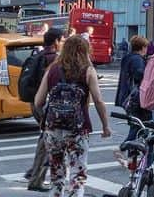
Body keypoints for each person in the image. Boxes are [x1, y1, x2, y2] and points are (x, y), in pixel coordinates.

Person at [33, 36, 111, 197]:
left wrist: (46, 118)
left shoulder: (52, 70)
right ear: (85, 51)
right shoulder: (88, 70)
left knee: (56, 171)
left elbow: (38, 101)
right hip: (78, 129)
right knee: (78, 172)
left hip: (53, 129)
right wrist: (105, 126)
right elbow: (98, 101)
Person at [24, 27, 64, 192]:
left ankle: (34, 173)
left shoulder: (39, 55)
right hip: (46, 104)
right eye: (61, 40)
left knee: (45, 138)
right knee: (50, 140)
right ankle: (36, 178)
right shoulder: (54, 59)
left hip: (35, 103)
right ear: (56, 41)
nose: (62, 43)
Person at [113, 35, 150, 165]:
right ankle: (122, 148)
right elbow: (140, 75)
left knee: (136, 125)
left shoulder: (127, 58)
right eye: (146, 47)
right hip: (135, 98)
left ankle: (132, 158)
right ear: (143, 47)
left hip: (126, 97)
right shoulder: (137, 60)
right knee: (139, 126)